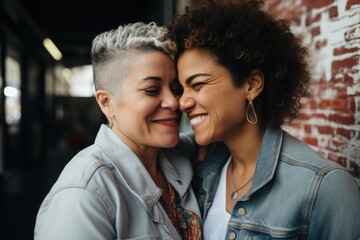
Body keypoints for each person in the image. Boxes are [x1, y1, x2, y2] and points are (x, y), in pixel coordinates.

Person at [167, 0, 360, 239]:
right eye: (182, 89)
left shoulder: (323, 187)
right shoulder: (204, 172)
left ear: (252, 84)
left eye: (198, 85)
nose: (183, 102)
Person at [34, 22, 202, 240]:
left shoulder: (182, 153)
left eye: (176, 89)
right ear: (106, 103)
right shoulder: (82, 195)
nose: (173, 102)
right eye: (151, 90)